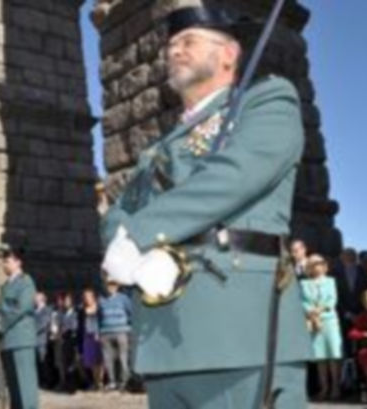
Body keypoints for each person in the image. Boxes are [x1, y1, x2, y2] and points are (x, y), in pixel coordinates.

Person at [99, 5, 312, 408]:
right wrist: (130, 251)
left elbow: (235, 175)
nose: (174, 51)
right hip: (166, 339)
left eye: (188, 41)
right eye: (171, 44)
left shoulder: (267, 100)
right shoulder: (157, 150)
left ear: (229, 54)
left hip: (237, 330)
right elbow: (117, 212)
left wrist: (142, 234)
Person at [0, 246, 39, 409]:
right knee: (14, 388)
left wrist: (1, 323)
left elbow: (21, 308)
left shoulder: (25, 282)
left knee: (25, 387)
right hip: (8, 341)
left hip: (21, 340)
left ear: (18, 262)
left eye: (7, 261)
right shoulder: (5, 286)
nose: (4, 265)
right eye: (3, 262)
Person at [300, 254, 343, 400]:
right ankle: (324, 388)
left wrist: (320, 310)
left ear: (323, 266)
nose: (315, 266)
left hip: (329, 321)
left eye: (318, 263)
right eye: (312, 264)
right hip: (313, 322)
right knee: (320, 357)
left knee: (333, 355)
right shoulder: (304, 283)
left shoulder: (331, 281)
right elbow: (302, 301)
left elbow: (332, 299)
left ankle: (335, 388)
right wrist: (311, 312)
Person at [98, 279, 133, 390]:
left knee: (123, 358)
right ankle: (112, 381)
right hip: (105, 332)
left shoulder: (124, 299)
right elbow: (99, 316)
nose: (110, 287)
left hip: (121, 331)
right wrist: (99, 331)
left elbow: (131, 312)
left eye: (113, 285)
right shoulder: (101, 299)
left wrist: (129, 327)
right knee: (108, 359)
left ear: (117, 286)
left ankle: (124, 382)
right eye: (108, 285)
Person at [80, 289, 104, 391]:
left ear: (93, 297)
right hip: (88, 335)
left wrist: (100, 333)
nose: (87, 299)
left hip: (97, 335)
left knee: (100, 361)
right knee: (91, 362)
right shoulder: (82, 309)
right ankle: (96, 382)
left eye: (88, 296)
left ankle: (100, 381)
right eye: (85, 297)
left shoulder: (99, 308)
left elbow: (102, 320)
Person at [34, 291, 54, 388]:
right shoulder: (34, 310)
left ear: (42, 299)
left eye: (36, 297)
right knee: (37, 363)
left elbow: (44, 323)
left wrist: (32, 331)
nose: (34, 299)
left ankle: (47, 381)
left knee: (44, 362)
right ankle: (40, 381)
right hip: (34, 340)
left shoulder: (47, 310)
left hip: (42, 340)